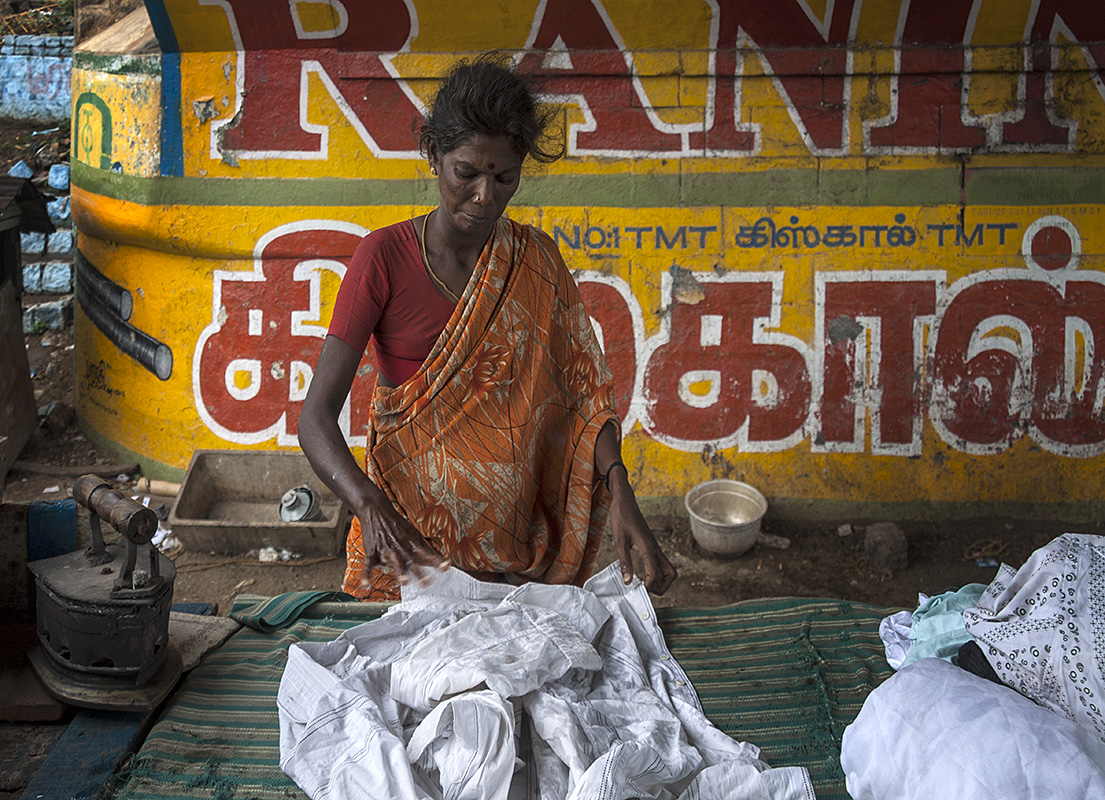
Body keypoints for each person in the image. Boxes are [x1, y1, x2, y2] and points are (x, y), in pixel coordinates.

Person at [298, 54, 676, 601]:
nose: (484, 196)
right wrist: (366, 502)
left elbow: (583, 395)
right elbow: (315, 420)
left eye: (504, 177)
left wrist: (621, 489)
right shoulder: (382, 259)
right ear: (434, 155)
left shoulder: (537, 263)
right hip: (411, 553)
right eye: (467, 173)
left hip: (518, 556)